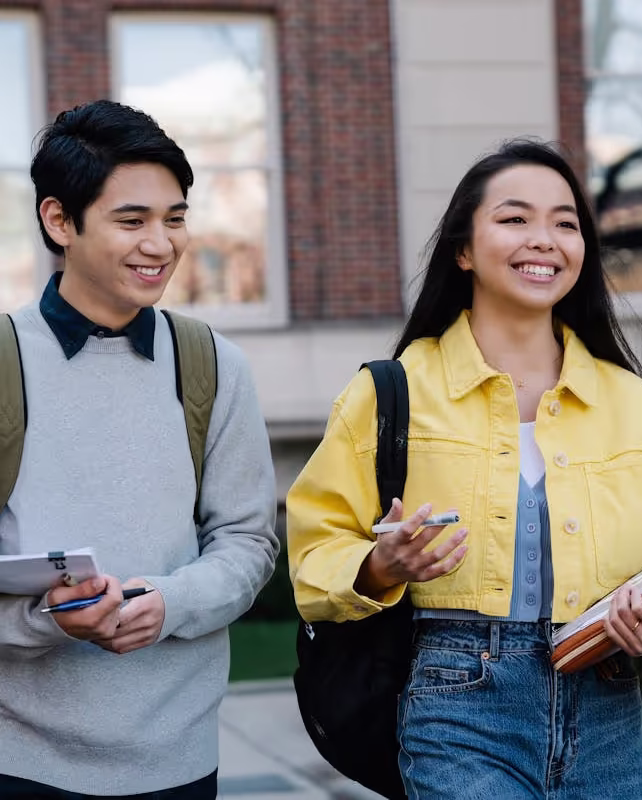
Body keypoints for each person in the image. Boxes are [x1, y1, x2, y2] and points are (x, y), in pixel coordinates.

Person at [287, 138, 642, 798]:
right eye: (514, 219)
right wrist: (379, 565)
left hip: (609, 714)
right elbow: (315, 551)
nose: (545, 239)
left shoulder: (641, 410)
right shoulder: (389, 395)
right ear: (463, 249)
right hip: (456, 710)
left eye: (565, 224)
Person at [0, 100, 278, 799]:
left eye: (174, 218)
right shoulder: (4, 362)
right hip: (16, 761)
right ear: (59, 221)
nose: (161, 244)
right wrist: (46, 621)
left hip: (178, 761)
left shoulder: (214, 365)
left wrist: (169, 601)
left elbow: (248, 542)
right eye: (133, 221)